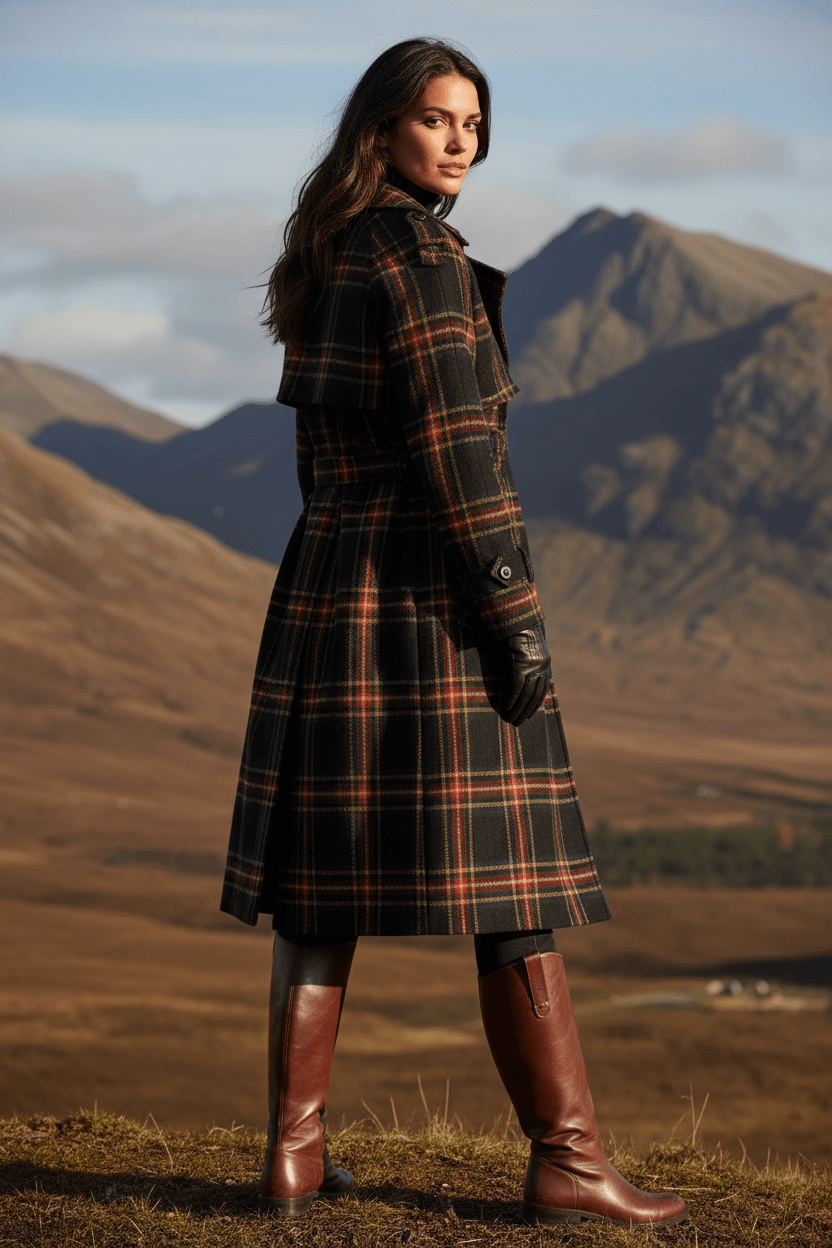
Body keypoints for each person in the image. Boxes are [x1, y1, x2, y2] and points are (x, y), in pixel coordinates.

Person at [220, 37, 686, 1229]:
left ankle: (294, 1157)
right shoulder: (422, 256)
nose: (460, 141)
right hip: (427, 601)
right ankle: (568, 1162)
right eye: (436, 119)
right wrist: (512, 618)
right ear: (381, 129)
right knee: (511, 882)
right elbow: (458, 452)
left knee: (319, 889)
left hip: (329, 588)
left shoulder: (332, 252)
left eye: (473, 122)